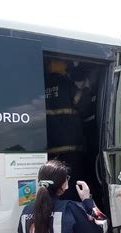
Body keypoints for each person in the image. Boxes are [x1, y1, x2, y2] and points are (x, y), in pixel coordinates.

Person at [45, 59, 84, 200]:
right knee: (71, 185)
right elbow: (83, 104)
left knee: (55, 184)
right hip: (70, 147)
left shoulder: (40, 84)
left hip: (49, 149)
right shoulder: (65, 83)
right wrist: (86, 89)